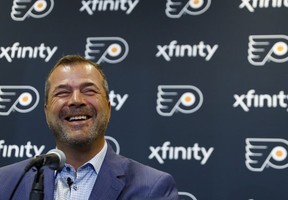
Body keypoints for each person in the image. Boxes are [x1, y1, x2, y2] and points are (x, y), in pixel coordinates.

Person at [0, 55, 179, 200]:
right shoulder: (6, 182)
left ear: (108, 108)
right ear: (46, 111)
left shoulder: (152, 188)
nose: (76, 100)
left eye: (89, 90)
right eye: (62, 92)